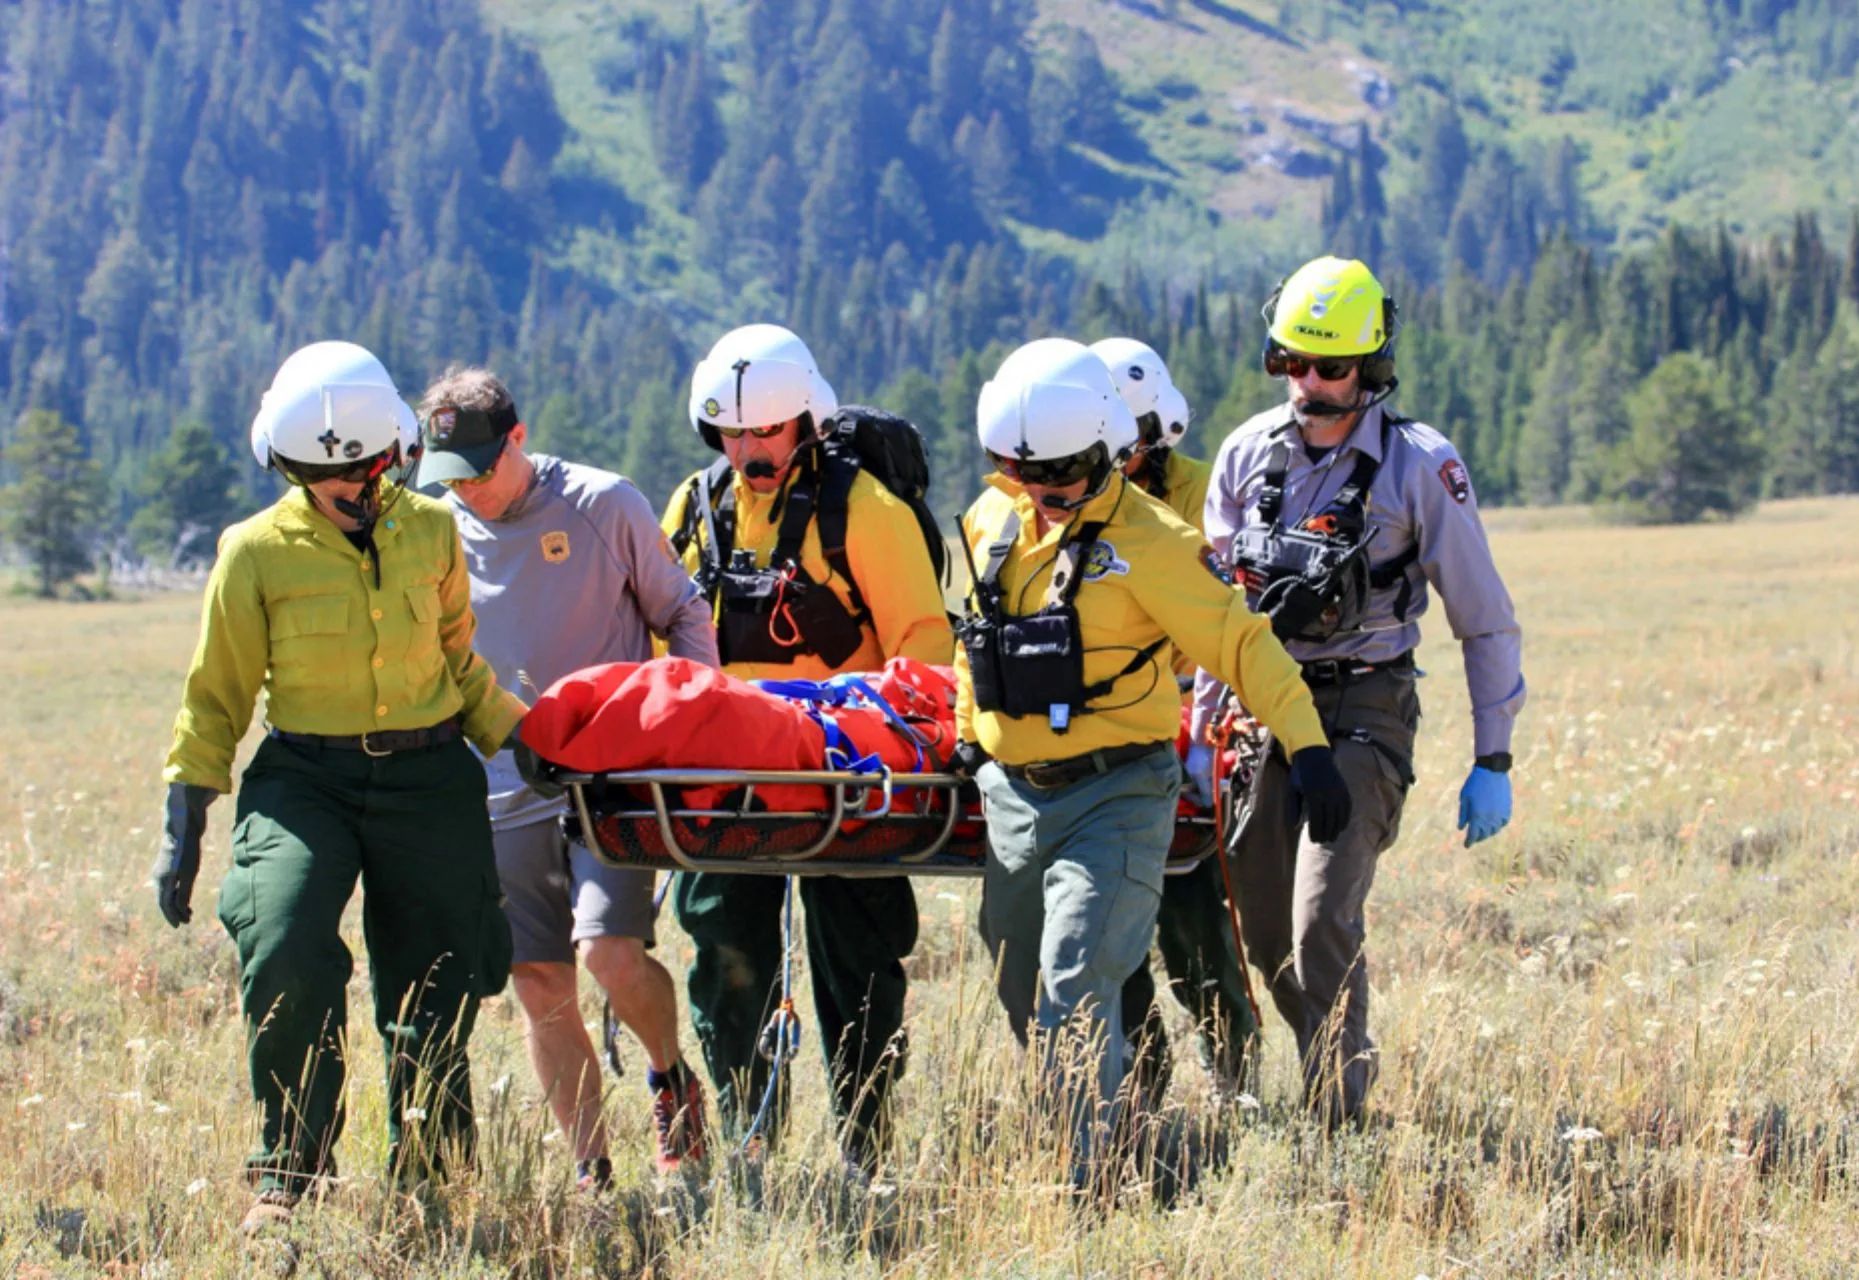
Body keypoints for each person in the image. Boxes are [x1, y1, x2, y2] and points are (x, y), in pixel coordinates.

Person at [950, 338, 1350, 1189]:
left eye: (1061, 478)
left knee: (1076, 977)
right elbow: (970, 640)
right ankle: (1129, 1123)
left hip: (1118, 794)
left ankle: (1086, 1183)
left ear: (1104, 448)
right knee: (1023, 982)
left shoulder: (1156, 543)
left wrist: (1309, 748)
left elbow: (1243, 644)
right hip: (1014, 799)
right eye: (1027, 477)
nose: (1047, 497)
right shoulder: (992, 522)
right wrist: (964, 730)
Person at [152, 342, 525, 1233]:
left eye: (358, 470)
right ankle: (290, 1174)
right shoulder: (253, 552)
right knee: (282, 943)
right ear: (290, 465)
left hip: (429, 775)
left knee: (436, 975)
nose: (345, 489)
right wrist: (186, 813)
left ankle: (433, 1176)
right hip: (304, 778)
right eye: (323, 476)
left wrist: (520, 735)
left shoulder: (432, 531)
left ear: (388, 454)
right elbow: (218, 693)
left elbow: (456, 661)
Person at [1191, 256, 1526, 1127]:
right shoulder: (1244, 455)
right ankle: (1325, 1061)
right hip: (1260, 709)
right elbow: (1209, 609)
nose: (1308, 384)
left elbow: (1484, 618)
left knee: (1319, 923)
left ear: (1372, 368)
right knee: (1264, 937)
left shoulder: (1423, 468)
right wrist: (1199, 727)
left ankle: (1339, 1123)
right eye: (1291, 363)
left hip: (1364, 708)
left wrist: (1494, 755)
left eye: (1330, 367)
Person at [417, 367, 720, 1189]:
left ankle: (669, 1079)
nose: (467, 491)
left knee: (608, 955)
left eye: (480, 469)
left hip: (607, 781)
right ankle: (592, 1169)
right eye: (450, 476)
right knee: (537, 978)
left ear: (518, 438)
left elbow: (684, 614)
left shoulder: (601, 502)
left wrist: (692, 731)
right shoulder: (437, 526)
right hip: (499, 787)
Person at [659, 324, 951, 1174]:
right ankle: (751, 1138)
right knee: (723, 953)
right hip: (725, 775)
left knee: (859, 963)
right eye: (734, 433)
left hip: (844, 778)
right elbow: (659, 636)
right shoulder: (696, 506)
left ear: (805, 424)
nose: (749, 450)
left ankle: (866, 1143)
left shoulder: (867, 512)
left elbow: (924, 653)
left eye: (767, 432)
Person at [1086, 338, 1262, 1108]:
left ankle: (1234, 1064)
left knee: (1189, 912)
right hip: (1096, 728)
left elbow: (1227, 609)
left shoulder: (1200, 493)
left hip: (1186, 722)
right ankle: (1139, 1075)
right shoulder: (1060, 499)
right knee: (1103, 918)